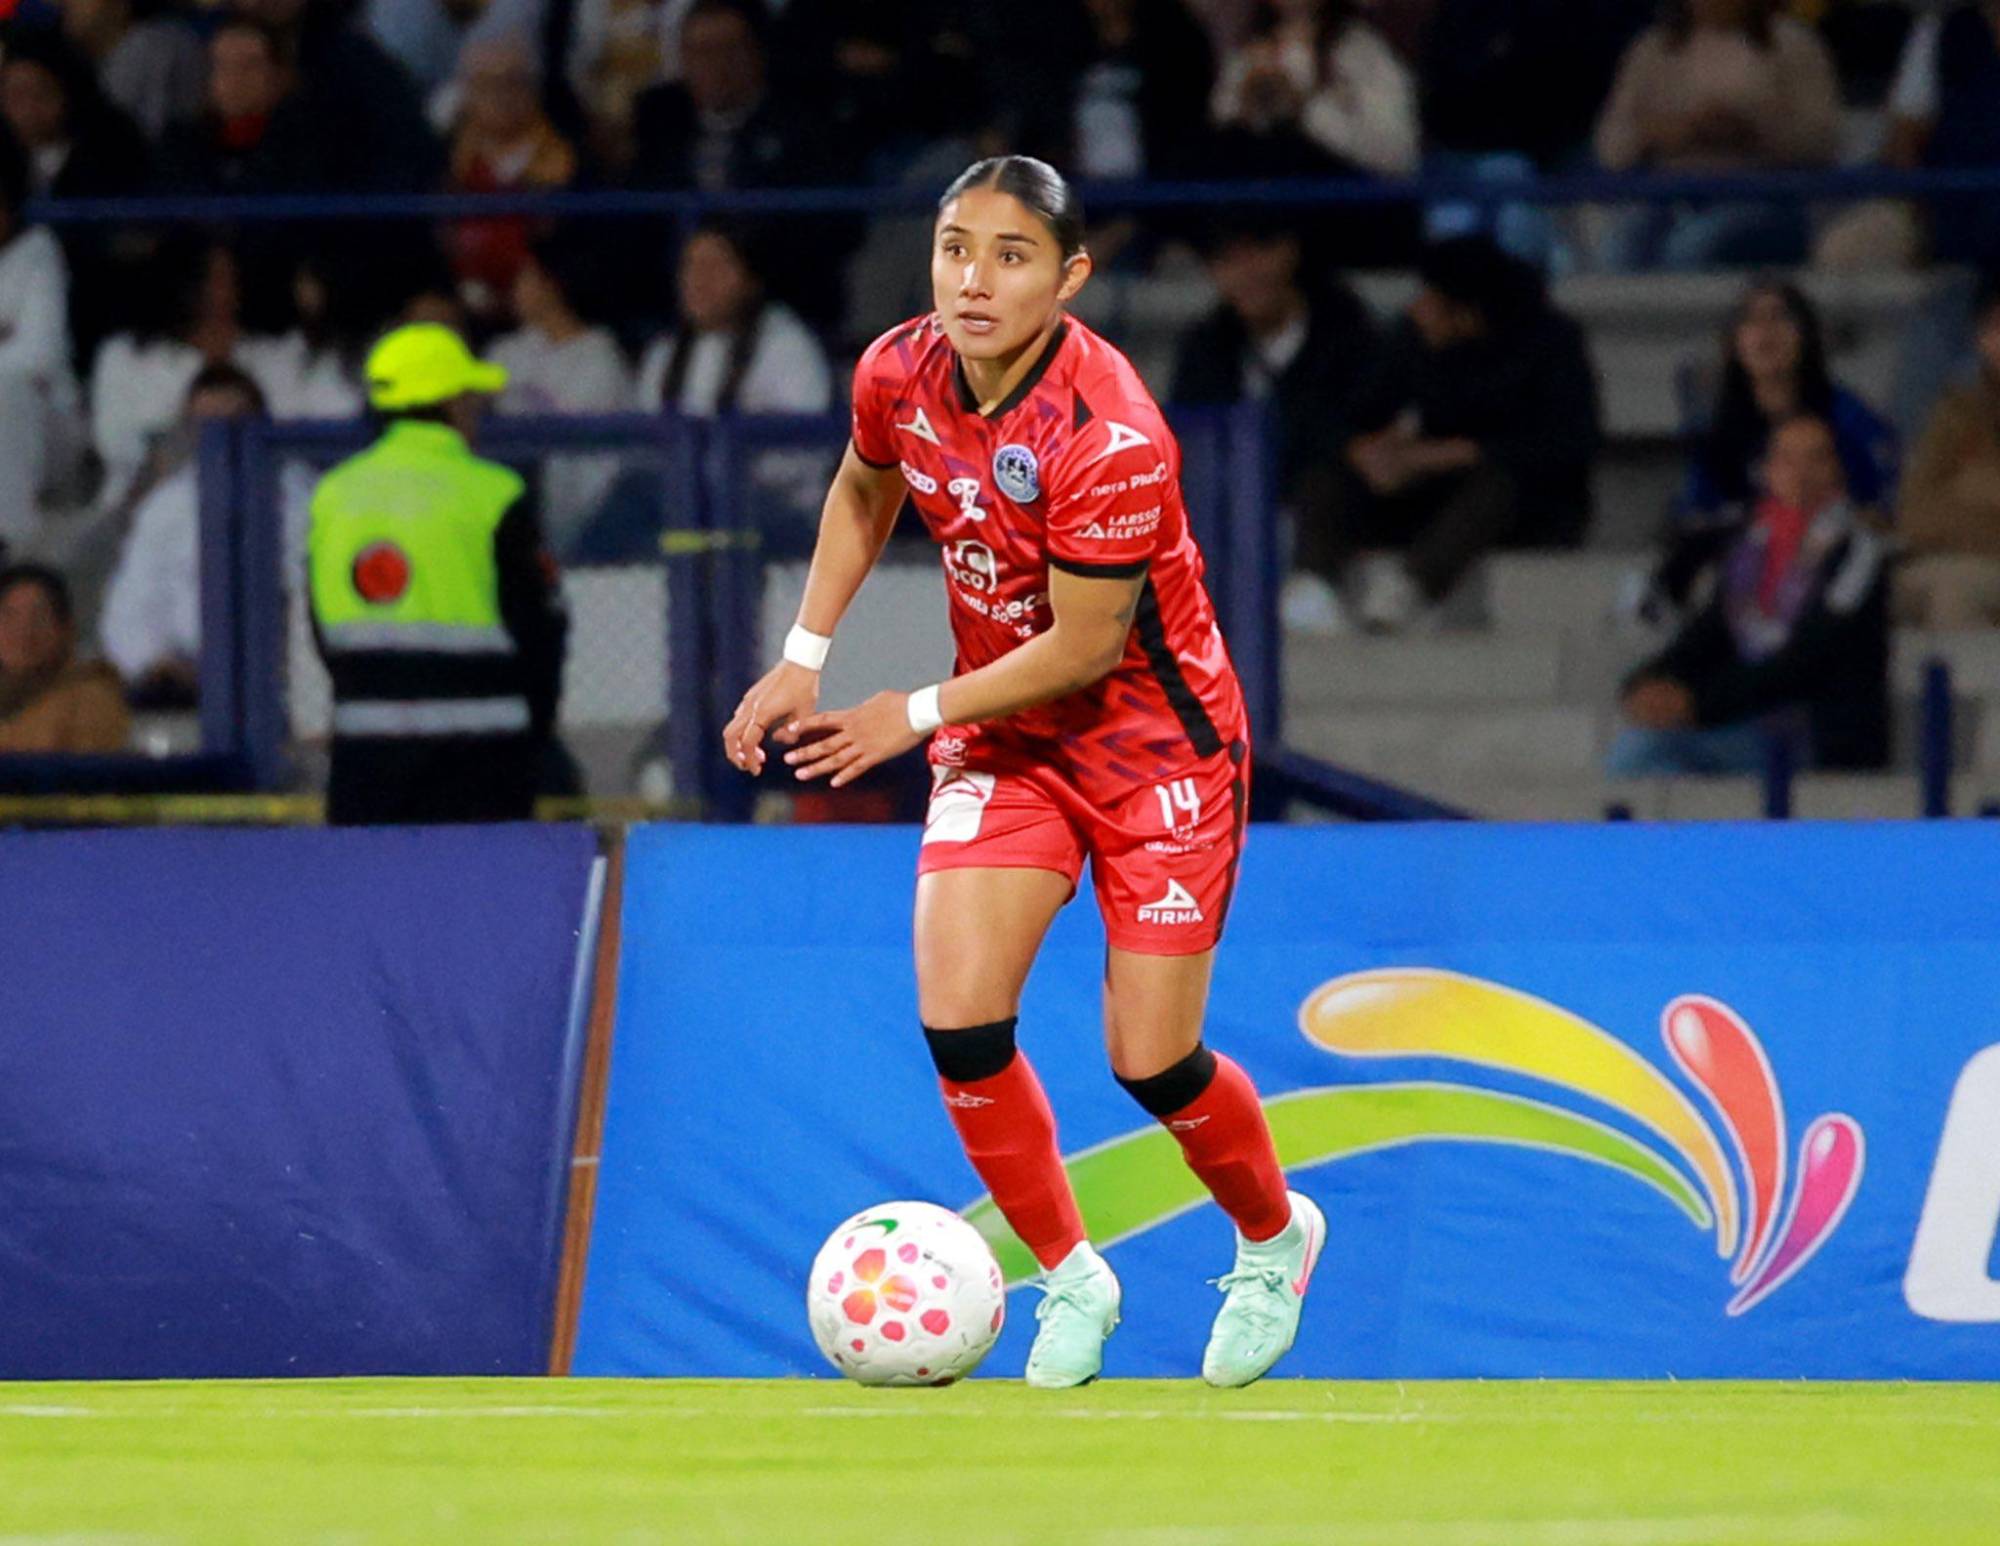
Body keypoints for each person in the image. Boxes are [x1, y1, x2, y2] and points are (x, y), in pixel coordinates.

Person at [722, 156, 1324, 1390]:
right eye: (954, 247)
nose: (972, 278)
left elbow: (1087, 643)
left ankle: (1273, 1234)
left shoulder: (1109, 434)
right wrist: (802, 655)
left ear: (1069, 276)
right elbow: (861, 482)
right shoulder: (897, 368)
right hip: (1005, 737)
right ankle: (1070, 1275)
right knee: (958, 1016)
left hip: (1154, 742)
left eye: (1009, 254)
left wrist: (907, 709)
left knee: (1149, 1059)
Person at [308, 322, 568, 825]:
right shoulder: (493, 494)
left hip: (365, 759)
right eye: (470, 397)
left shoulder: (332, 496)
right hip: (483, 761)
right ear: (451, 403)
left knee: (375, 899)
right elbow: (542, 631)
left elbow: (323, 627)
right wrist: (534, 735)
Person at [1332, 234, 1600, 630]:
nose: (1419, 309)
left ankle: (1412, 583)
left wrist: (1451, 454)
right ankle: (1313, 584)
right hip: (1432, 491)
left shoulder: (1551, 343)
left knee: (1500, 486)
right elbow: (1355, 414)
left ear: (1469, 313)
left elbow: (1565, 445)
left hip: (1532, 504)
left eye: (1433, 302)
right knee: (1328, 477)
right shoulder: (1412, 337)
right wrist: (1368, 453)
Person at [1610, 412, 1889, 775]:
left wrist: (1697, 703)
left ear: (1840, 469)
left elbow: (1806, 659)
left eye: (1816, 458)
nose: (1800, 472)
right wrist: (1645, 683)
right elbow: (1707, 634)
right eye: (1787, 459)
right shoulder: (1752, 548)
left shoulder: (1859, 552)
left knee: (1643, 750)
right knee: (1653, 761)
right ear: (1769, 471)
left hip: (1818, 734)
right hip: (1743, 719)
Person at [1641, 278, 1898, 620]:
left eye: (1780, 317)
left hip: (1828, 558)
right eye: (1751, 321)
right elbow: (1699, 510)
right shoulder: (1718, 428)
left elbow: (1879, 506)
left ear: (1806, 336)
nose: (1766, 331)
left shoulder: (1848, 418)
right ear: (1734, 342)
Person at [1168, 219, 1380, 632]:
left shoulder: (1346, 330)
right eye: (1228, 261)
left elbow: (1355, 429)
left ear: (1288, 252)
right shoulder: (1206, 344)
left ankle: (1313, 586)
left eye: (1257, 254)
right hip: (1232, 496)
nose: (1246, 273)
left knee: (1332, 474)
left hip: (1333, 496)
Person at [1593, 0, 1840, 270]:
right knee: (1618, 251)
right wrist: (1660, 131)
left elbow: (1823, 140)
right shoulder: (1652, 49)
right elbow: (1611, 146)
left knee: (1689, 250)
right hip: (1668, 196)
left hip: (1764, 198)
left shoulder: (1794, 45)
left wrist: (1752, 131)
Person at [99, 363, 269, 707]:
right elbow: (131, 605)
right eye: (207, 422)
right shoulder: (165, 506)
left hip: (278, 677)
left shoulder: (302, 496)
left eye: (234, 421)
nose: (221, 434)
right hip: (188, 684)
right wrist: (157, 662)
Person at [488, 233, 635, 553]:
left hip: (578, 509)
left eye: (525, 277)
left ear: (551, 285)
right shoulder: (506, 351)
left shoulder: (599, 359)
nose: (515, 288)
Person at [1896, 274, 2000, 628]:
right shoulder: (1957, 410)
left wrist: (1969, 489)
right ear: (1982, 338)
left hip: (1966, 568)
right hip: (1954, 557)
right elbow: (1915, 514)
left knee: (1958, 591)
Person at [0, 127, 79, 551]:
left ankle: (9, 550)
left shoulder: (37, 253)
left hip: (47, 426)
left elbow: (36, 358)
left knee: (5, 391)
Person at [0, 562, 129, 754]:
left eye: (39, 617)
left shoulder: (91, 702)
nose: (24, 631)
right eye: (9, 616)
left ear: (65, 630)